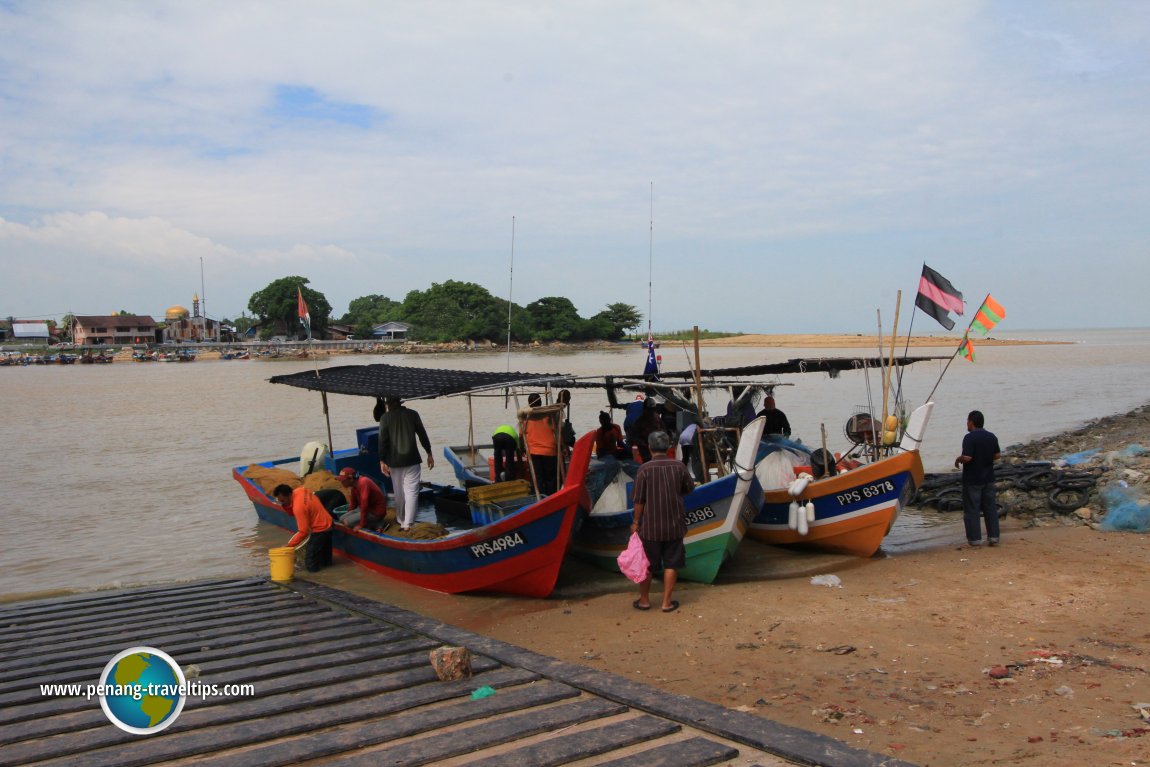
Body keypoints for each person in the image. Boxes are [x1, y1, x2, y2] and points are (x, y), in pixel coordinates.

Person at [630, 431, 694, 612]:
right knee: (672, 563)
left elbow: (639, 501)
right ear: (668, 448)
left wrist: (635, 522)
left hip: (650, 528)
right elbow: (689, 489)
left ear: (649, 448)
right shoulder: (679, 467)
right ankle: (666, 603)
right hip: (675, 525)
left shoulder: (644, 469)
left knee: (647, 565)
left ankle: (644, 600)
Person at [378, 396, 434, 532]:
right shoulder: (413, 414)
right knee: (412, 492)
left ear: (389, 405)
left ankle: (401, 519)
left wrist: (382, 459)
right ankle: (408, 524)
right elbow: (422, 434)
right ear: (400, 403)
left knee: (399, 492)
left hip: (394, 462)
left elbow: (382, 440)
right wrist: (429, 452)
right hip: (412, 460)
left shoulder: (385, 418)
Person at [955, 410, 1002, 547]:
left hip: (973, 479)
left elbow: (968, 458)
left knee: (972, 509)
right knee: (990, 508)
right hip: (988, 477)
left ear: (972, 422)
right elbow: (998, 455)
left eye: (968, 421)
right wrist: (986, 458)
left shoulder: (970, 438)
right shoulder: (991, 436)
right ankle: (994, 537)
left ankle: (975, 539)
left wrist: (958, 459)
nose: (967, 424)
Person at [272, 484, 334, 572]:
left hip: (321, 530)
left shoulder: (298, 507)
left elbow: (303, 531)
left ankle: (317, 579)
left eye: (283, 500)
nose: (282, 503)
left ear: (289, 495)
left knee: (310, 561)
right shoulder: (301, 490)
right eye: (279, 501)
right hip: (329, 522)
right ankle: (330, 573)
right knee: (325, 560)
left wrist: (289, 546)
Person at [523, 393, 560, 494]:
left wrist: (522, 450)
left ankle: (541, 498)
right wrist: (562, 447)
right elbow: (557, 432)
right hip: (549, 451)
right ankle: (550, 497)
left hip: (534, 451)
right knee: (550, 478)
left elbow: (521, 436)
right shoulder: (549, 415)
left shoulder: (525, 418)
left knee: (538, 478)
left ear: (529, 404)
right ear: (540, 403)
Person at [335, 467, 389, 531]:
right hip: (364, 509)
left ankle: (379, 524)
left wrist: (361, 524)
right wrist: (349, 513)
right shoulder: (353, 485)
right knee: (341, 519)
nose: (341, 482)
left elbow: (364, 505)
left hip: (375, 512)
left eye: (343, 480)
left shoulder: (364, 482)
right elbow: (353, 502)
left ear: (351, 479)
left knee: (347, 523)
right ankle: (373, 524)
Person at [626, 397, 662, 462]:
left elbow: (662, 431)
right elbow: (633, 435)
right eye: (649, 410)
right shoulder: (641, 420)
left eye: (652, 410)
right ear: (645, 409)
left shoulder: (656, 418)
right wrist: (643, 443)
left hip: (654, 443)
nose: (651, 412)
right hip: (644, 444)